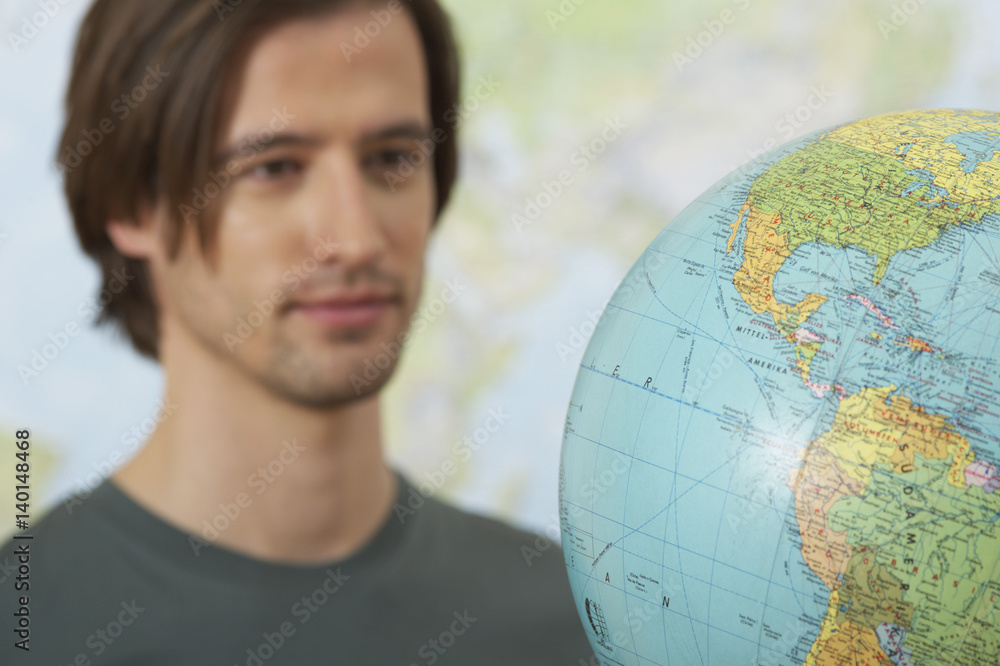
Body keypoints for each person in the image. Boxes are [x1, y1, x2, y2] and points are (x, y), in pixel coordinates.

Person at [0, 0, 596, 663]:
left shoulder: (582, 629)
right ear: (131, 204)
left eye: (392, 158)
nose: (356, 237)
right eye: (274, 167)